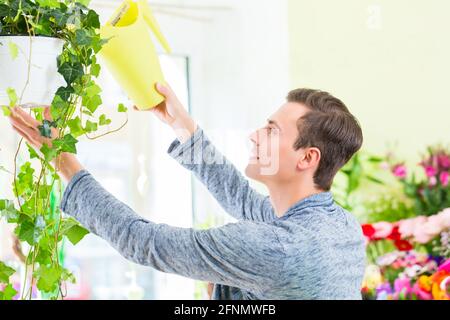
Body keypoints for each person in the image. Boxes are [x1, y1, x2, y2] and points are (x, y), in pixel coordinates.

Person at [9, 82, 365, 299]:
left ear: (307, 158)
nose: (254, 135)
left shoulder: (278, 248)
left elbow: (143, 241)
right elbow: (241, 199)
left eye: (272, 131)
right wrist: (181, 125)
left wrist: (63, 160)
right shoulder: (339, 227)